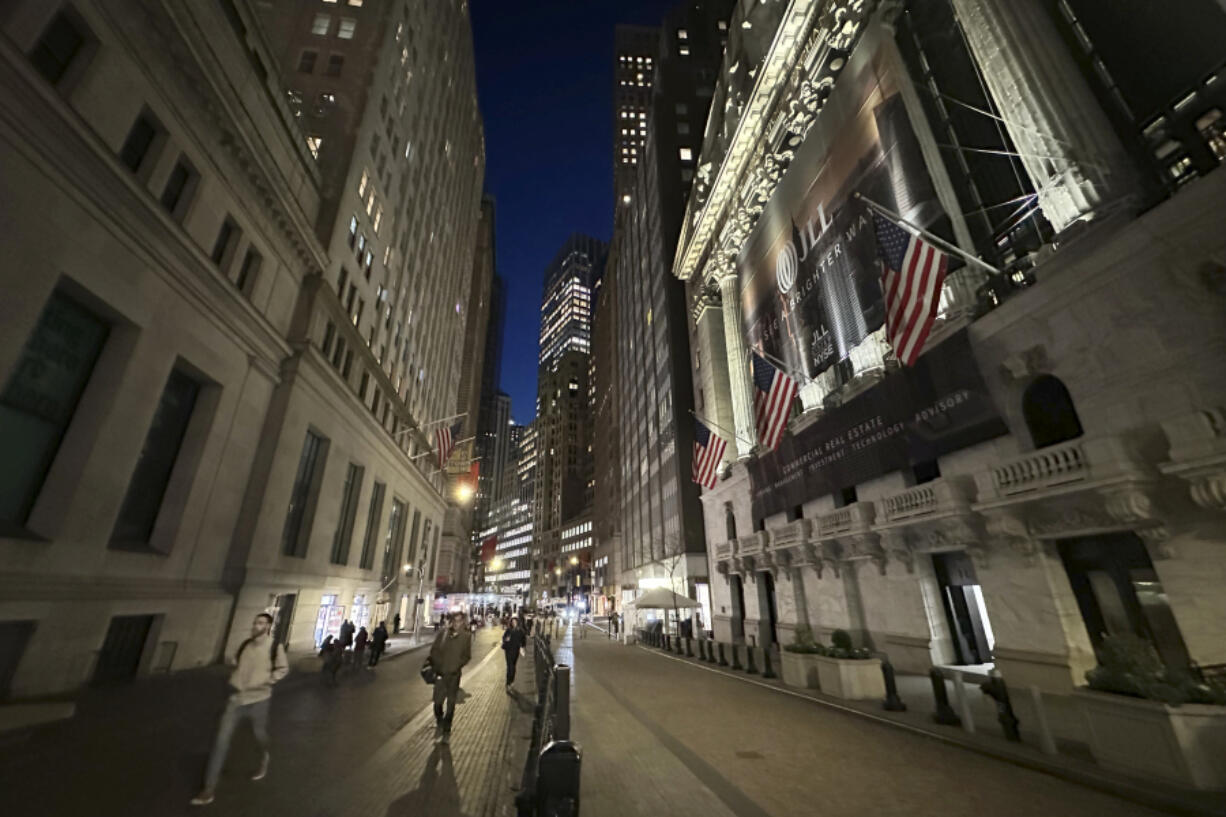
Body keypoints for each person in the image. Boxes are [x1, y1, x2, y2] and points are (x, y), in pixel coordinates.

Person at [191, 613, 289, 806]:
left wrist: (267, 681)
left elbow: (282, 668)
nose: (255, 626)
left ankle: (263, 757)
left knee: (258, 735)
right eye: (254, 622)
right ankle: (208, 789)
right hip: (236, 700)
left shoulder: (274, 646)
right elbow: (236, 663)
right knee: (221, 742)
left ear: (268, 626)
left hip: (259, 700)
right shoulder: (246, 644)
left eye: (260, 623)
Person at [425, 612, 472, 744]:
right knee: (437, 703)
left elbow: (467, 656)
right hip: (440, 674)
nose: (457, 624)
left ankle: (447, 728)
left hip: (454, 675)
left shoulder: (466, 637)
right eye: (455, 621)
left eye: (460, 621)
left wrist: (457, 666)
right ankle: (440, 720)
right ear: (452, 622)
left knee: (451, 704)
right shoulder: (443, 634)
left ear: (463, 622)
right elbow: (433, 650)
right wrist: (437, 666)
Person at [501, 617, 526, 693]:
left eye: (515, 622)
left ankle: (512, 681)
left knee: (513, 667)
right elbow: (504, 637)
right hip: (508, 650)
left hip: (515, 651)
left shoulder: (521, 631)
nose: (513, 623)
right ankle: (508, 683)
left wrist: (522, 647)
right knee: (510, 667)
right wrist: (506, 639)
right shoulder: (509, 630)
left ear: (518, 622)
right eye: (512, 622)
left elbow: (524, 641)